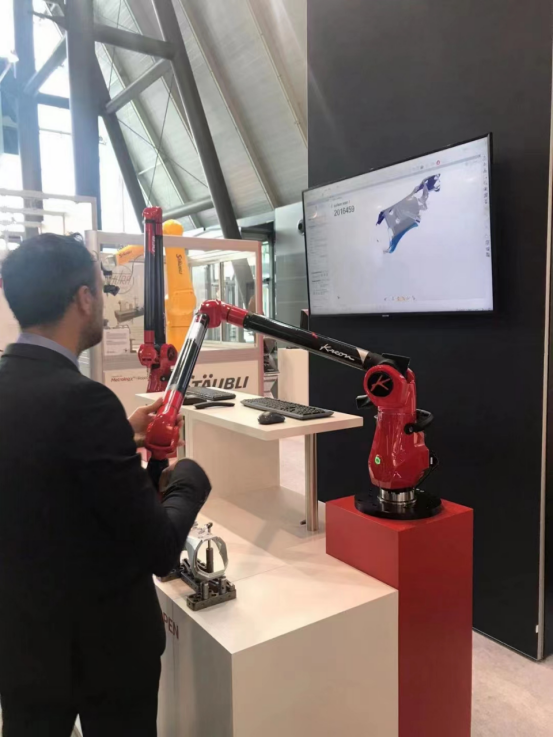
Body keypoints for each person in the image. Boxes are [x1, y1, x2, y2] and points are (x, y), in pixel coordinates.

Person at [0, 234, 211, 738]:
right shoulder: (86, 403)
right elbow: (159, 548)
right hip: (106, 655)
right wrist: (187, 478)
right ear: (83, 298)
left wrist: (120, 434)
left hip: (22, 648)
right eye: (100, 288)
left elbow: (42, 476)